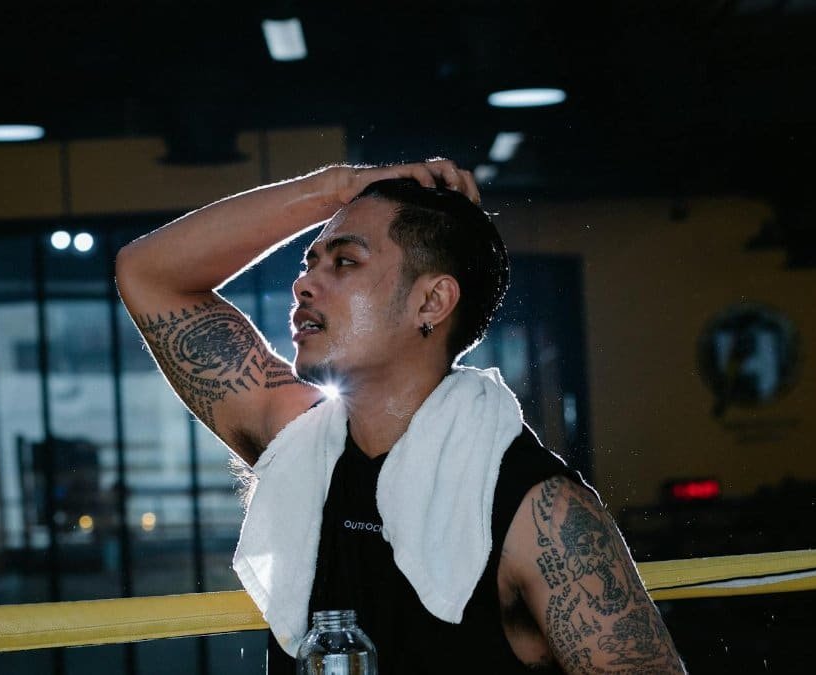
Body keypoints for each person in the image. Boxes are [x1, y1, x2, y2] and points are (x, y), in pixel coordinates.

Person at [115, 158, 686, 674]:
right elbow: (147, 272)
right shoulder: (300, 442)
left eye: (345, 262)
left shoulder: (541, 512)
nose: (304, 282)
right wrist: (339, 186)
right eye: (310, 262)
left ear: (431, 303)